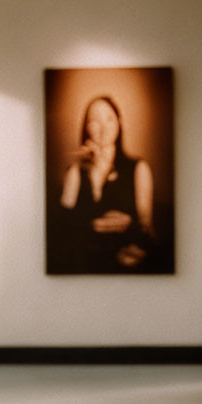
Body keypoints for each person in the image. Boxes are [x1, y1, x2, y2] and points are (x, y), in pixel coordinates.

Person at [54, 96, 154, 272]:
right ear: (86, 128)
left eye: (109, 119)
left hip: (126, 265)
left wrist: (131, 226)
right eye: (94, 121)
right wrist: (78, 169)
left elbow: (147, 229)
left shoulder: (138, 167)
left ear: (119, 122)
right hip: (82, 266)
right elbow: (62, 224)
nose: (103, 127)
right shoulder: (76, 170)